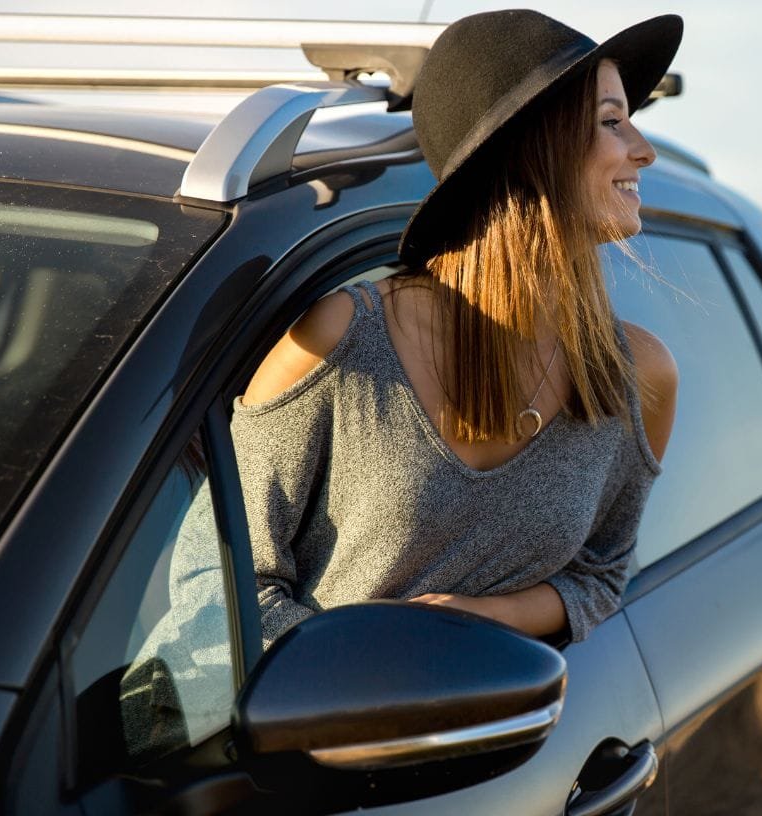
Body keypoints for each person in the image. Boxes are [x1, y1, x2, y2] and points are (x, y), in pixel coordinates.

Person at [230, 10, 683, 650]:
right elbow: (224, 597)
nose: (644, 148)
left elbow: (601, 575)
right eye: (612, 121)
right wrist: (376, 681)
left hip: (513, 743)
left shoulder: (637, 375)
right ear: (531, 150)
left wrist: (485, 617)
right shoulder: (339, 347)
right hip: (301, 737)